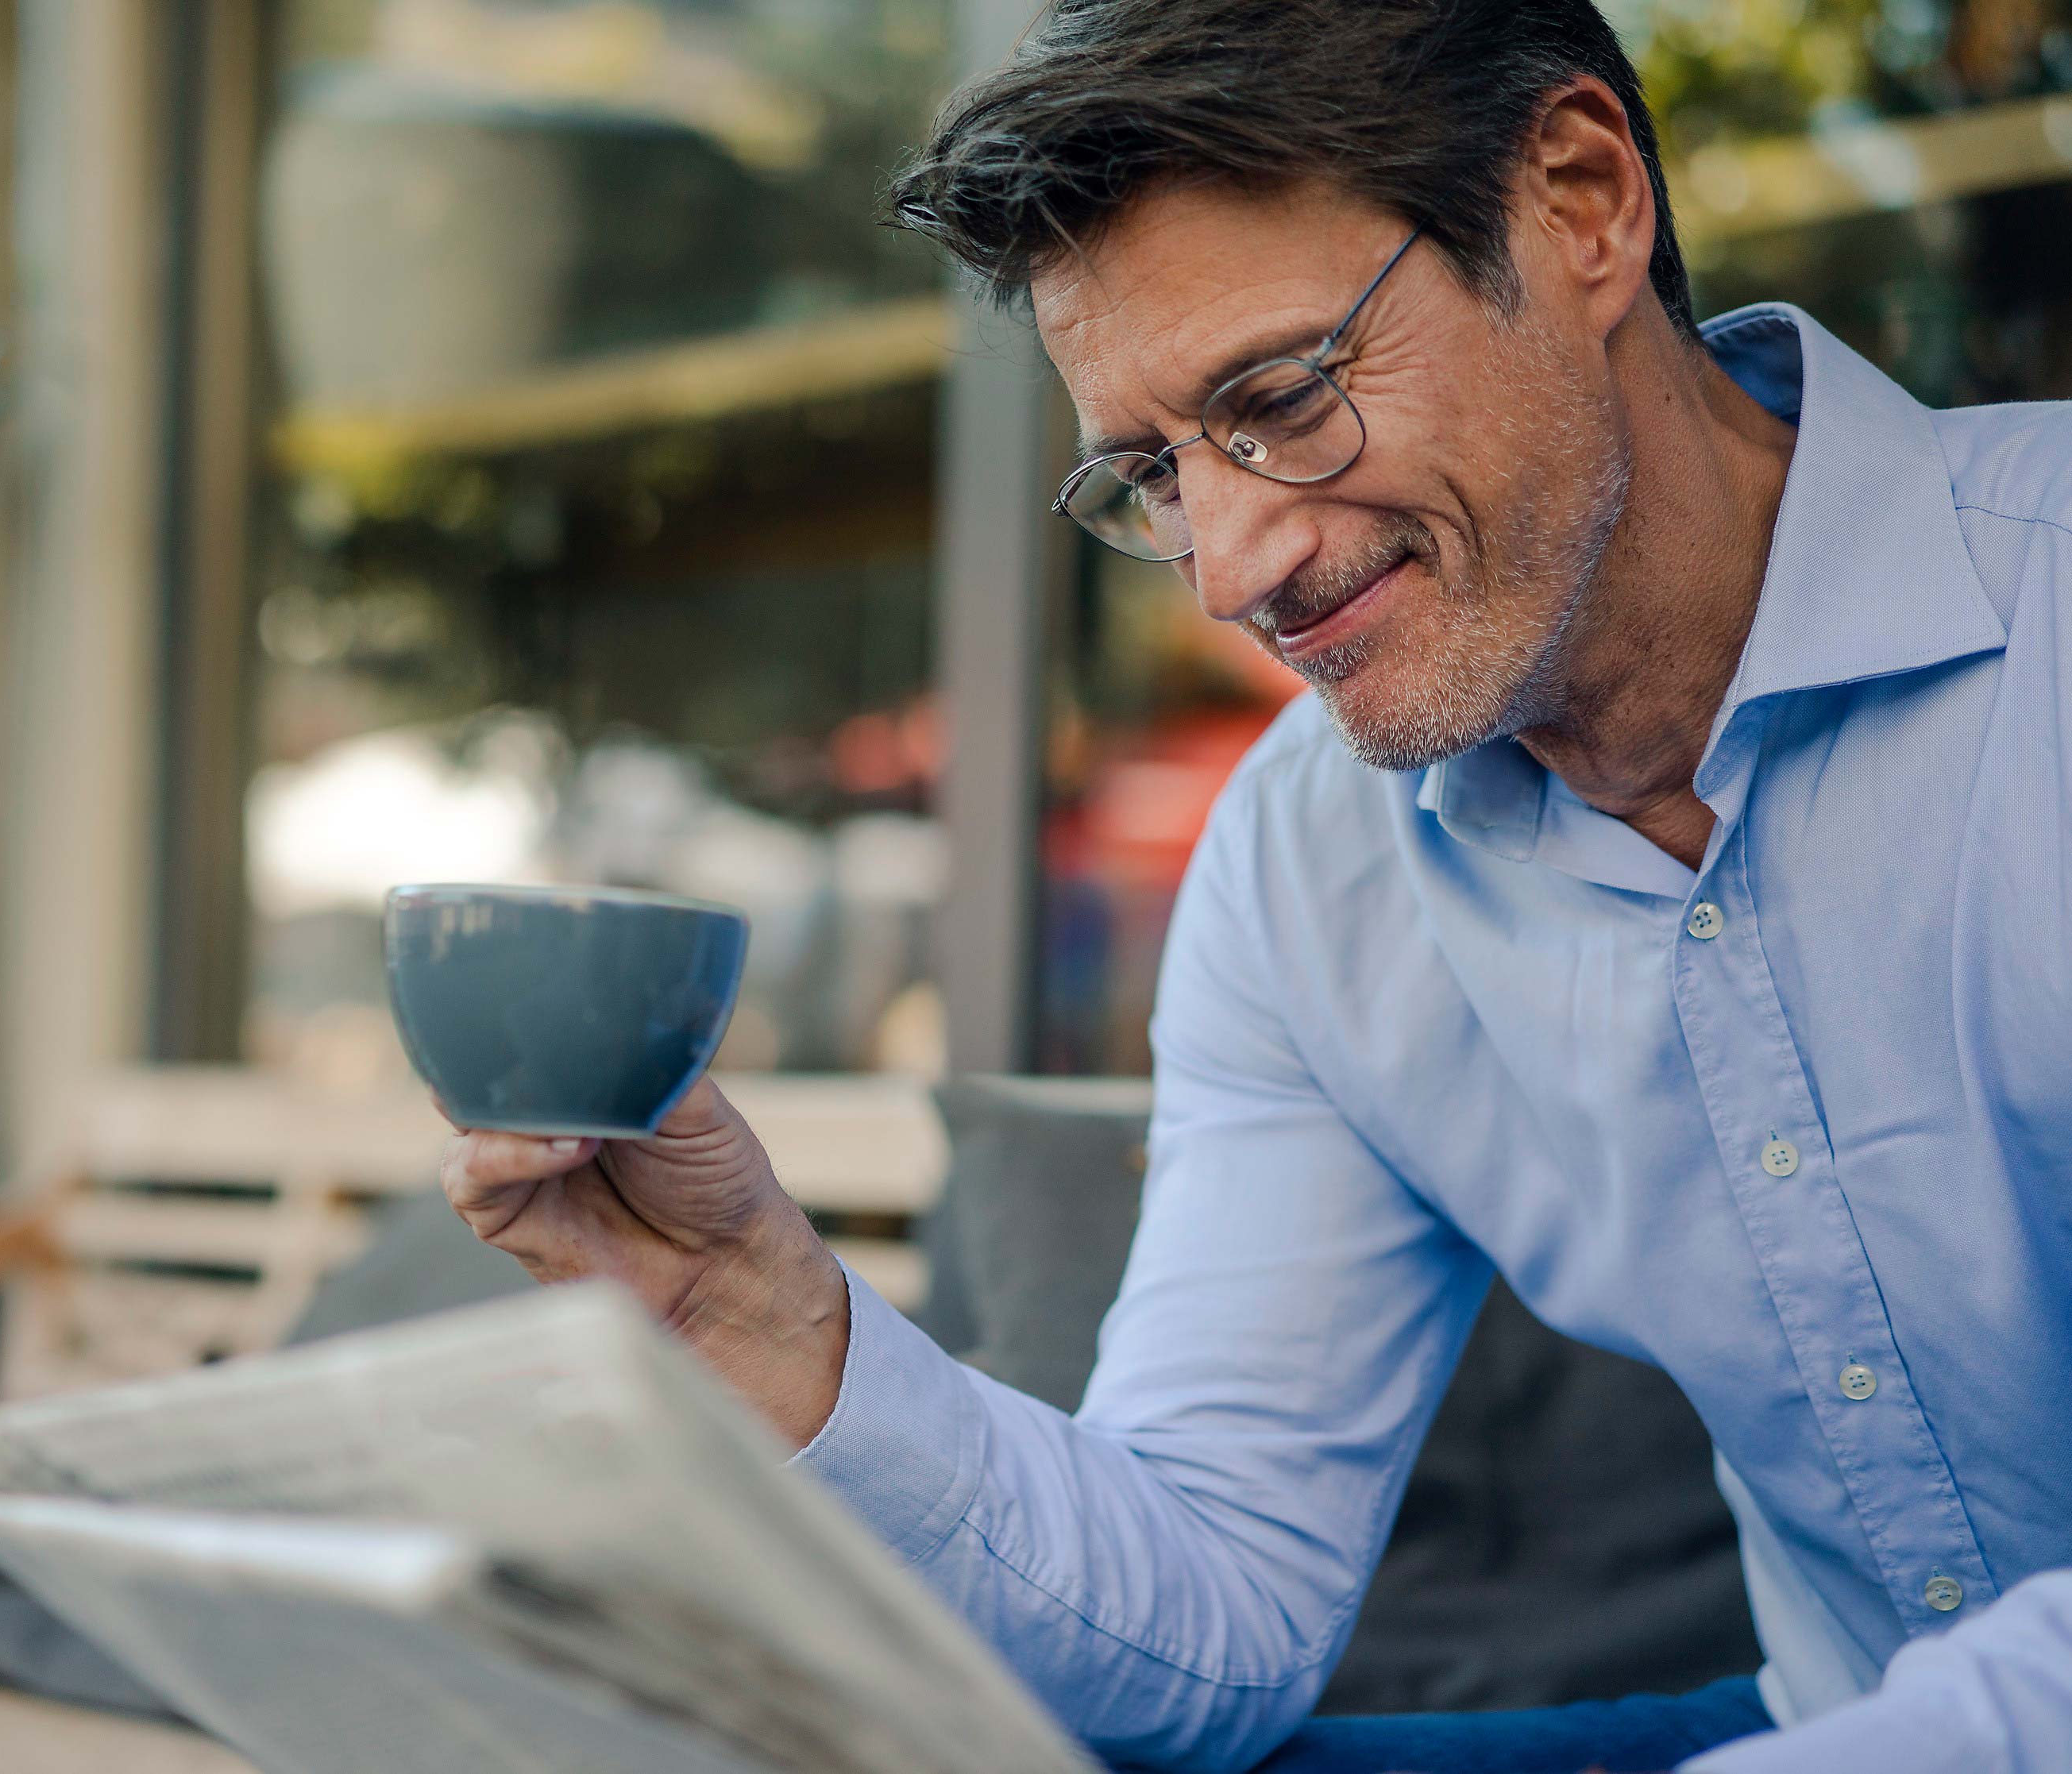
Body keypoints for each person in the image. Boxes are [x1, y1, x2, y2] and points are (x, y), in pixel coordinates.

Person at [436, 2, 2072, 1768]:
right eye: (1153, 471)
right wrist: (760, 1319)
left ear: (1583, 204)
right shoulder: (1314, 867)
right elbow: (1214, 1606)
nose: (1229, 570)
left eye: (1279, 398)